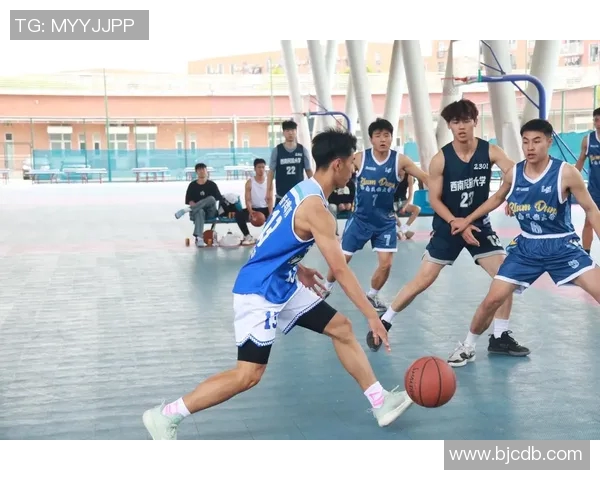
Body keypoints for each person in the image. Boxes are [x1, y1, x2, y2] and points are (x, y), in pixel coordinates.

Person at [142, 128, 414, 440]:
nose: (355, 171)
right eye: (352, 164)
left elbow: (274, 236)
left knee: (341, 328)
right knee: (248, 375)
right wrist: (371, 316)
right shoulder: (318, 209)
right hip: (259, 291)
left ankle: (379, 402)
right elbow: (340, 269)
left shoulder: (302, 190)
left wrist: (298, 267)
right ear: (337, 164)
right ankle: (167, 415)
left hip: (282, 282)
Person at [371, 100, 530, 365]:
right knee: (423, 280)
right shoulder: (441, 159)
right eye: (455, 122)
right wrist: (457, 222)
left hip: (478, 225)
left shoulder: (490, 151)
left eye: (466, 120)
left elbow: (517, 173)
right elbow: (434, 200)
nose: (461, 127)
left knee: (506, 276)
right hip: (448, 226)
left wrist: (514, 197)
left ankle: (500, 336)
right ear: (449, 126)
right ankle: (385, 321)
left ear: (475, 121)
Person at [450, 118, 600, 363]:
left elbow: (591, 210)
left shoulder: (566, 173)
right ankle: (467, 346)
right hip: (526, 248)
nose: (530, 147)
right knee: (492, 300)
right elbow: (497, 198)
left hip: (562, 246)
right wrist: (467, 219)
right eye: (526, 142)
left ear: (549, 142)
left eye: (537, 141)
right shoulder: (514, 173)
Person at [322, 118, 429, 311]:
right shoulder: (359, 158)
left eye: (386, 135)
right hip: (360, 220)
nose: (382, 139)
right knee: (342, 260)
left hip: (385, 222)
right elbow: (335, 172)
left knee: (386, 264)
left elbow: (425, 177)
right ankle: (325, 288)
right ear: (371, 139)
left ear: (391, 138)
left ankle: (371, 296)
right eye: (378, 135)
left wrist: (444, 187)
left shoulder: (400, 160)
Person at [266, 120, 313, 209]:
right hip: (282, 195)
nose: (290, 133)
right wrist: (268, 191)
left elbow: (308, 170)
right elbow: (271, 172)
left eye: (293, 130)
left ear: (296, 131)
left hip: (298, 194)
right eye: (287, 130)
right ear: (283, 133)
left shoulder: (302, 150)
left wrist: (315, 187)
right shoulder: (277, 150)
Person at [174, 163, 222, 247]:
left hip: (210, 212)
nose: (202, 171)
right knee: (200, 211)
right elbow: (189, 200)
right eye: (199, 170)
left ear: (206, 171)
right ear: (196, 172)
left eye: (203, 169)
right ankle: (199, 238)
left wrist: (201, 204)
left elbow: (217, 199)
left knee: (211, 198)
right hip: (197, 213)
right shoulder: (192, 185)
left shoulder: (212, 185)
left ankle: (186, 210)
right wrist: (194, 204)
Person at [575, 108, 600, 255]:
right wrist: (570, 180)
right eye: (596, 119)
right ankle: (586, 254)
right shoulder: (588, 140)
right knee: (589, 222)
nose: (598, 122)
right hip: (594, 190)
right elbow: (580, 161)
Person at [235, 158, 272, 246]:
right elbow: (248, 200)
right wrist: (250, 211)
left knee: (279, 213)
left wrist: (271, 213)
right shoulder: (249, 182)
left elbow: (270, 199)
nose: (261, 169)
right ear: (255, 168)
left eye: (263, 167)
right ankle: (247, 236)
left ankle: (271, 236)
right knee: (239, 215)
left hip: (266, 209)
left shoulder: (269, 182)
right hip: (254, 209)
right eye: (259, 167)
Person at [328, 171, 356, 236]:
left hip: (349, 205)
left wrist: (349, 203)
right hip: (337, 205)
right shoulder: (334, 183)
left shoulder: (351, 184)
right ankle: (334, 232)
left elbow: (353, 196)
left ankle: (352, 233)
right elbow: (330, 198)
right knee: (331, 207)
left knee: (356, 208)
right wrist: (339, 204)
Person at [394, 173, 421, 240]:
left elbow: (410, 194)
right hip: (392, 201)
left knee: (417, 209)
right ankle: (404, 231)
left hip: (403, 201)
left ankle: (403, 230)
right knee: (390, 211)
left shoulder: (409, 176)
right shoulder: (393, 173)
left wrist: (405, 206)